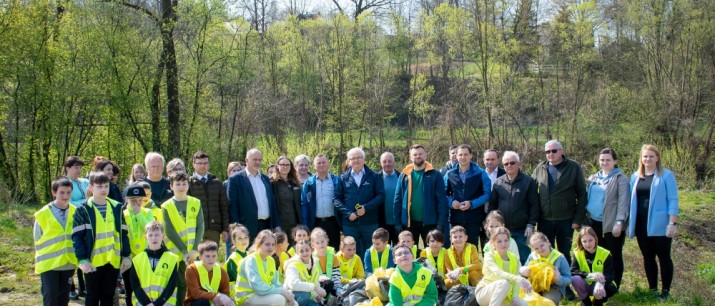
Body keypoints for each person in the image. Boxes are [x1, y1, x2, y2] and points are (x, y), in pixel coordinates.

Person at [72, 172, 131, 306]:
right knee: (92, 296)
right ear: (91, 187)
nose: (104, 189)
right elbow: (77, 237)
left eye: (106, 186)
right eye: (99, 186)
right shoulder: (83, 209)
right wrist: (82, 259)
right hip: (92, 262)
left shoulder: (116, 207)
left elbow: (123, 233)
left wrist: (126, 255)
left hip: (112, 260)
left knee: (108, 296)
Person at [628, 144, 679, 299]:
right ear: (641, 159)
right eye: (645, 156)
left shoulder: (666, 175)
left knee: (664, 257)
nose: (648, 159)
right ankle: (653, 290)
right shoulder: (635, 176)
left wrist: (672, 223)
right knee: (648, 257)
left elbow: (673, 199)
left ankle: (665, 292)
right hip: (640, 224)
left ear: (657, 158)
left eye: (651, 156)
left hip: (660, 224)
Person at [531, 140, 587, 265]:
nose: (550, 153)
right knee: (545, 253)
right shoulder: (540, 168)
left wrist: (578, 219)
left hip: (566, 220)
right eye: (547, 151)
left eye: (554, 151)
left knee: (564, 253)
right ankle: (548, 281)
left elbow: (582, 194)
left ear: (562, 151)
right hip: (545, 220)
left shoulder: (573, 167)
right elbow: (531, 192)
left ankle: (565, 282)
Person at [585, 148, 629, 287]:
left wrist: (619, 221)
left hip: (611, 225)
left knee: (613, 255)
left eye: (608, 160)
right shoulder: (593, 178)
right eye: (602, 160)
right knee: (597, 254)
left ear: (615, 161)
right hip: (594, 223)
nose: (604, 162)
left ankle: (614, 284)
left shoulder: (620, 179)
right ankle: (599, 281)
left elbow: (623, 202)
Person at [162, 172, 206, 304]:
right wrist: (184, 251)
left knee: (195, 282)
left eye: (184, 184)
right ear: (171, 186)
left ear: (188, 185)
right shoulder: (166, 206)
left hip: (193, 252)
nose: (181, 187)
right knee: (180, 284)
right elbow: (169, 231)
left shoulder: (195, 202)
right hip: (176, 252)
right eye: (177, 184)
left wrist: (193, 250)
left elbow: (200, 226)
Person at [488, 151, 538, 263]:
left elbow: (534, 205)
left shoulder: (528, 182)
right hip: (502, 231)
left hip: (522, 230)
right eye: (506, 164)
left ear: (518, 164)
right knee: (503, 259)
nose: (509, 165)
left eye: (512, 163)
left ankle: (525, 280)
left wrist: (531, 224)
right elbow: (492, 206)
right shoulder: (498, 182)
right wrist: (491, 224)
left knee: (524, 259)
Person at [333, 147, 385, 257]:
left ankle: (370, 274)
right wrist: (348, 213)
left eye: (359, 157)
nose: (356, 160)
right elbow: (336, 199)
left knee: (370, 252)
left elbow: (380, 196)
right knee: (352, 253)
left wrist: (366, 208)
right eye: (353, 158)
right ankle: (355, 274)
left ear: (364, 159)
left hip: (369, 222)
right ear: (348, 161)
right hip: (350, 224)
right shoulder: (342, 178)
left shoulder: (373, 176)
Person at [35, 177, 78, 306]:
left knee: (63, 298)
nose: (65, 196)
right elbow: (37, 237)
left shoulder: (76, 212)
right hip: (49, 264)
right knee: (50, 296)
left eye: (68, 192)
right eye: (62, 192)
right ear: (54, 192)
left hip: (68, 262)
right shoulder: (42, 214)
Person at [394, 144, 448, 245]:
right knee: (409, 252)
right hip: (409, 223)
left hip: (430, 222)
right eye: (415, 154)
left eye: (420, 154)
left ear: (425, 155)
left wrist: (440, 222)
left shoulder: (435, 175)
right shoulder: (404, 175)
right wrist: (397, 222)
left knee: (432, 252)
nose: (418, 156)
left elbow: (441, 201)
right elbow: (397, 200)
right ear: (410, 157)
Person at [227, 148, 281, 239]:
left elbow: (272, 203)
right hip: (246, 227)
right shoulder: (235, 179)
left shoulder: (265, 178)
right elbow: (232, 205)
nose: (257, 162)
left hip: (266, 226)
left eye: (259, 160)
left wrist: (276, 225)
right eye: (254, 159)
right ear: (246, 160)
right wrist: (236, 227)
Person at [444, 144, 491, 246]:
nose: (463, 157)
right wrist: (451, 202)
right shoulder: (449, 174)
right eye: (460, 155)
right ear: (456, 156)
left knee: (472, 247)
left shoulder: (481, 173)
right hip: (455, 217)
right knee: (455, 247)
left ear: (471, 155)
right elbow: (443, 194)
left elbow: (487, 194)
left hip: (474, 218)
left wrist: (472, 204)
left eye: (466, 154)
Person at [237, 229, 296, 306]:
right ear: (258, 244)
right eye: (267, 244)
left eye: (273, 244)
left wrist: (286, 293)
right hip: (246, 297)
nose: (270, 248)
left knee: (292, 302)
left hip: (261, 295)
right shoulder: (251, 260)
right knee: (279, 299)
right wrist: (281, 291)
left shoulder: (270, 260)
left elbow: (276, 283)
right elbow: (258, 287)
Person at [475, 226, 530, 306]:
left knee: (523, 304)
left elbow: (515, 281)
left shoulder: (514, 258)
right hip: (484, 293)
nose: (503, 244)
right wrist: (520, 279)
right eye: (499, 241)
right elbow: (499, 273)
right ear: (493, 243)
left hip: (504, 295)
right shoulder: (489, 256)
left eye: (506, 240)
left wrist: (514, 298)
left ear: (509, 241)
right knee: (504, 283)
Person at [130, 221, 179, 306]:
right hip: (142, 302)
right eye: (150, 235)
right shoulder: (137, 259)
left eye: (157, 235)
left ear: (163, 237)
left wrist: (157, 303)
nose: (154, 238)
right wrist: (147, 303)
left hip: (165, 302)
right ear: (146, 238)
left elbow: (172, 284)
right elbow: (135, 284)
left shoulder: (172, 258)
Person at [123, 185, 156, 306]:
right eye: (133, 200)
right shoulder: (123, 213)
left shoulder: (147, 212)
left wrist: (138, 214)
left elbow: (150, 230)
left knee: (144, 288)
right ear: (127, 200)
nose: (137, 203)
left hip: (145, 256)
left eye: (140, 200)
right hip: (129, 257)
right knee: (129, 287)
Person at [188, 151, 230, 248]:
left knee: (211, 258)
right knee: (196, 259)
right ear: (194, 164)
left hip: (214, 228)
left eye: (205, 163)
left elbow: (224, 207)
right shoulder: (188, 183)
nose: (203, 166)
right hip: (195, 229)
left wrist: (225, 229)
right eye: (200, 163)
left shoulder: (217, 183)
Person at [301, 154, 341, 250]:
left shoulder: (336, 180)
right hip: (316, 223)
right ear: (314, 166)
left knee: (333, 250)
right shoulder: (309, 183)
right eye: (318, 163)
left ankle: (333, 266)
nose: (321, 165)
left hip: (333, 222)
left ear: (328, 164)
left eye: (323, 162)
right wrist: (306, 225)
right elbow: (304, 204)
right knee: (317, 250)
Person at [62, 156, 89, 300]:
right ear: (68, 168)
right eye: (76, 167)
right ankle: (70, 288)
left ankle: (83, 287)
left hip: (87, 221)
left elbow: (93, 197)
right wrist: (85, 201)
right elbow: (68, 202)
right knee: (72, 255)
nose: (79, 170)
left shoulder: (85, 182)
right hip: (71, 221)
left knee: (83, 253)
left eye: (80, 167)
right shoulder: (64, 183)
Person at [570, 227, 618, 306]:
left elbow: (610, 274)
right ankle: (586, 302)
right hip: (587, 283)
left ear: (595, 239)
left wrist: (600, 283)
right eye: (584, 241)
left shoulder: (605, 253)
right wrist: (589, 275)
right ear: (580, 242)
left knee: (608, 289)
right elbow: (572, 271)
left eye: (590, 240)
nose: (588, 244)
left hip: (603, 284)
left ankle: (597, 302)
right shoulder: (577, 253)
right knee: (575, 279)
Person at [521, 232, 572, 304]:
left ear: (548, 242)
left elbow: (569, 279)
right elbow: (523, 270)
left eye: (542, 245)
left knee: (548, 302)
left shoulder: (560, 258)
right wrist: (523, 271)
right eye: (536, 248)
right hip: (534, 285)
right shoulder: (532, 256)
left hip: (553, 287)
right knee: (525, 300)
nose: (540, 250)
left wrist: (558, 278)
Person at [185, 240, 234, 306]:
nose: (211, 259)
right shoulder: (192, 269)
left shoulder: (222, 271)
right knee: (202, 302)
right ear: (200, 256)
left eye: (214, 256)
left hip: (215, 302)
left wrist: (220, 300)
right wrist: (215, 296)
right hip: (196, 302)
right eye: (207, 256)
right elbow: (196, 293)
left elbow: (225, 293)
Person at [283, 240, 327, 306]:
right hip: (291, 297)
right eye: (301, 251)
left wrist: (316, 295)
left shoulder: (314, 263)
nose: (304, 253)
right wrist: (314, 288)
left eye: (307, 250)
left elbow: (315, 282)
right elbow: (293, 284)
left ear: (312, 250)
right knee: (305, 295)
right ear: (297, 252)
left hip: (307, 296)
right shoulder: (292, 265)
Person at [271, 156, 302, 241]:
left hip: (295, 224)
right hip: (280, 225)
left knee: (294, 249)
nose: (285, 167)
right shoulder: (272, 183)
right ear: (277, 166)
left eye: (288, 165)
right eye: (282, 164)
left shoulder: (295, 182)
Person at [309, 228, 343, 298]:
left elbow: (336, 276)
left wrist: (338, 288)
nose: (321, 244)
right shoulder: (310, 258)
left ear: (327, 240)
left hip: (332, 285)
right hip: (317, 287)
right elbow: (310, 278)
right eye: (317, 243)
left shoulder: (333, 257)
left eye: (322, 241)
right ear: (312, 244)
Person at [223, 223, 251, 296]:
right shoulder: (232, 259)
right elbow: (237, 281)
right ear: (234, 241)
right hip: (237, 295)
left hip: (250, 291)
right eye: (240, 238)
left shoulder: (250, 255)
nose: (243, 241)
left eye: (245, 237)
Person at [378, 152, 400, 244]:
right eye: (384, 161)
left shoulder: (402, 177)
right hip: (382, 222)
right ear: (380, 163)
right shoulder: (376, 178)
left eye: (390, 161)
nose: (387, 164)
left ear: (394, 162)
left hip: (398, 223)